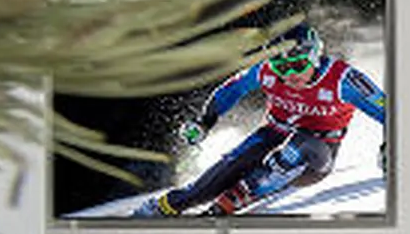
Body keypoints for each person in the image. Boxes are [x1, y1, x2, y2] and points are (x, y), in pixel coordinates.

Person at [149, 24, 389, 216]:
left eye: (297, 65)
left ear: (315, 57)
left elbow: (388, 111)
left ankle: (240, 194)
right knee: (230, 165)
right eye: (281, 67)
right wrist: (205, 122)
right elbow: (232, 90)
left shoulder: (343, 80)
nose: (290, 74)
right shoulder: (267, 72)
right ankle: (165, 206)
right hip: (274, 132)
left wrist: (390, 146)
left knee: (300, 145)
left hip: (317, 153)